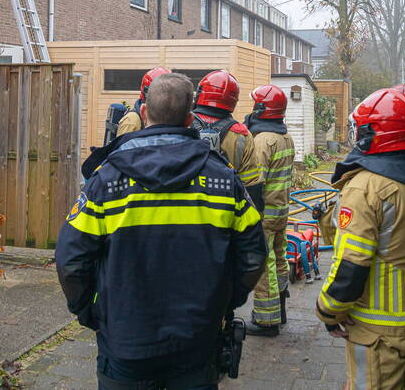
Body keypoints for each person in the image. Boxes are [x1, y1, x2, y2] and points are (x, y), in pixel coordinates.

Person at [56, 72, 266, 390]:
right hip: (198, 340)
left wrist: (89, 311)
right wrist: (226, 301)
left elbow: (71, 260)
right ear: (189, 118)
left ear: (143, 112)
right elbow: (252, 256)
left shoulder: (107, 181)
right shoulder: (224, 181)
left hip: (126, 340)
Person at [316, 88, 405, 389]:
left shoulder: (364, 189)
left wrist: (328, 311)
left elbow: (352, 265)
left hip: (376, 336)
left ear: (372, 134)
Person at [243, 84, 296, 337]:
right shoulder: (285, 136)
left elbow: (256, 181)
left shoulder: (263, 140)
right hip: (282, 211)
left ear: (262, 109)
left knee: (265, 266)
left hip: (265, 216)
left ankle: (266, 321)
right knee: (280, 260)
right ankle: (280, 309)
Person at [191, 70, 263, 209]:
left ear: (200, 93)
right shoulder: (242, 135)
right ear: (233, 100)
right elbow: (252, 187)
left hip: (186, 211)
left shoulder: (182, 124)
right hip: (225, 211)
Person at [115, 67, 171, 138]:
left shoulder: (168, 118)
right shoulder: (132, 121)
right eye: (159, 93)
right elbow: (123, 148)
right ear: (146, 93)